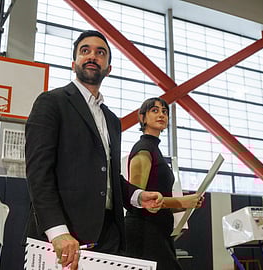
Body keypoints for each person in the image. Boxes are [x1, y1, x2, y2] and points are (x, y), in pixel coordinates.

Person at [25, 30, 163, 270]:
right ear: (74, 63)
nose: (92, 56)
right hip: (64, 235)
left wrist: (138, 196)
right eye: (85, 51)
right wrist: (57, 231)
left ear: (108, 68)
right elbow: (38, 173)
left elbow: (108, 176)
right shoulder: (51, 103)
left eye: (101, 53)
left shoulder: (112, 120)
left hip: (109, 234)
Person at [124, 97, 204, 270]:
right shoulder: (144, 149)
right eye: (154, 110)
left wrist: (187, 204)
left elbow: (158, 202)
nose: (161, 114)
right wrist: (181, 201)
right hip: (144, 232)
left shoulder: (155, 150)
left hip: (158, 230)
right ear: (142, 118)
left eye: (164, 111)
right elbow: (137, 200)